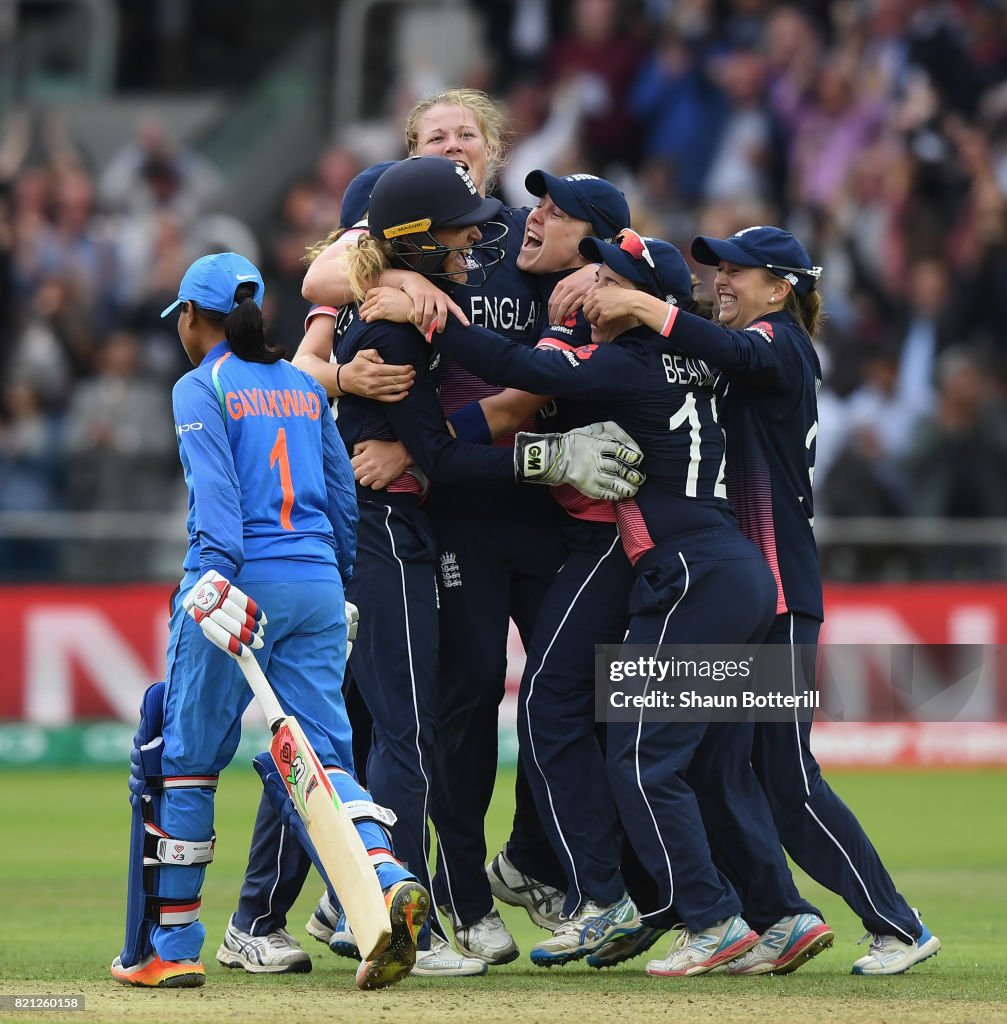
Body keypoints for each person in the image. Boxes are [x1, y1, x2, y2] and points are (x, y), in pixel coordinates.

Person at [406, 229, 832, 976]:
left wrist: (434, 320)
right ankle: (775, 914)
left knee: (646, 751)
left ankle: (710, 918)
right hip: (732, 575)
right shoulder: (695, 363)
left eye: (604, 277)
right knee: (711, 760)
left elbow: (511, 373)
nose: (589, 286)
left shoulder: (629, 366)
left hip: (692, 577)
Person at [307, 155, 644, 974]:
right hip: (389, 527)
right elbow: (439, 460)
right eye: (457, 232)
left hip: (403, 528)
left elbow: (481, 396)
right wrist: (547, 459)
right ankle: (398, 917)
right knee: (409, 732)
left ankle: (365, 905)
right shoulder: (389, 325)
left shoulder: (418, 310)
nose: (473, 243)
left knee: (408, 728)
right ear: (416, 242)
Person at [584, 224, 942, 975]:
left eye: (738, 272)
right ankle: (775, 919)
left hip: (777, 590)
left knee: (785, 774)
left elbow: (737, 353)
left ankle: (898, 925)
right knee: (717, 764)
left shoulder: (782, 344)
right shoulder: (744, 349)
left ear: (780, 287)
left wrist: (648, 309)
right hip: (749, 591)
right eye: (715, 269)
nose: (722, 281)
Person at [109, 252, 429, 992]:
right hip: (317, 582)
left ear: (192, 317)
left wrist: (214, 582)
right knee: (322, 760)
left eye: (182, 320)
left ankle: (175, 945)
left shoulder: (200, 385)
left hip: (235, 584)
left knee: (185, 763)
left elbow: (216, 503)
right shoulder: (301, 386)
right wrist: (335, 583)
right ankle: (382, 888)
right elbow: (343, 501)